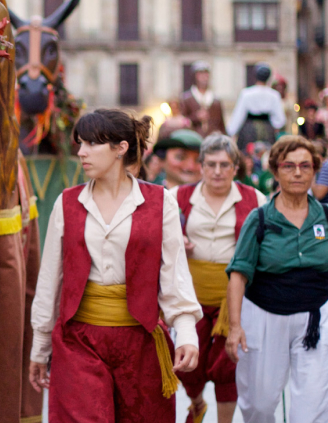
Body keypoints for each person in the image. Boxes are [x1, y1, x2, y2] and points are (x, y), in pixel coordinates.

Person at [27, 109, 201, 423]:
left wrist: (187, 331)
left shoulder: (161, 202)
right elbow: (50, 279)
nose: (81, 152)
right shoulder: (66, 203)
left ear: (121, 148)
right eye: (80, 144)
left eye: (92, 144)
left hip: (141, 341)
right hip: (79, 341)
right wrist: (40, 346)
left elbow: (175, 274)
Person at [225, 134, 328, 423]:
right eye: (288, 166)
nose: (298, 172)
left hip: (315, 317)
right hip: (264, 316)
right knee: (259, 405)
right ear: (275, 171)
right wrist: (235, 326)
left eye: (305, 166)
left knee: (312, 408)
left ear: (315, 170)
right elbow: (238, 274)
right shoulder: (259, 219)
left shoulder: (326, 215)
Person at [172, 133, 267, 423]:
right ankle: (197, 403)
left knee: (228, 366)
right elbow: (160, 237)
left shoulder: (254, 199)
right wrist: (178, 242)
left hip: (233, 295)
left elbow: (266, 242)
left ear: (236, 168)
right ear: (200, 166)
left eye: (225, 165)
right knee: (187, 362)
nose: (217, 171)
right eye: (211, 164)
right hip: (191, 292)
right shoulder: (177, 197)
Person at [227, 64, 286, 151]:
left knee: (247, 157)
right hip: (267, 131)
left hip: (249, 131)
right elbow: (280, 120)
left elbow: (239, 115)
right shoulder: (274, 95)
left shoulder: (246, 93)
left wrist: (231, 131)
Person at [177, 61, 226, 137]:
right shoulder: (186, 99)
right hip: (193, 139)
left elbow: (221, 125)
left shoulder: (216, 101)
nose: (204, 77)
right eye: (200, 74)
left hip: (212, 140)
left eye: (206, 74)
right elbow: (182, 122)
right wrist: (195, 117)